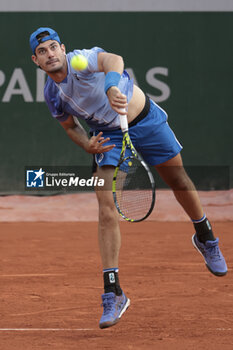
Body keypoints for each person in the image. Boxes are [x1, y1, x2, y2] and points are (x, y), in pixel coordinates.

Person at [29, 27, 227, 329]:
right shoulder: (53, 94)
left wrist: (110, 87)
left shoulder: (81, 60)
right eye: (42, 52)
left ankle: (205, 236)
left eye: (53, 47)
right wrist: (86, 143)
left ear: (62, 48)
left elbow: (114, 60)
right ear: (36, 61)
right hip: (107, 136)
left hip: (144, 119)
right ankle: (113, 291)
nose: (50, 54)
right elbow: (70, 127)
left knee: (179, 181)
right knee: (105, 205)